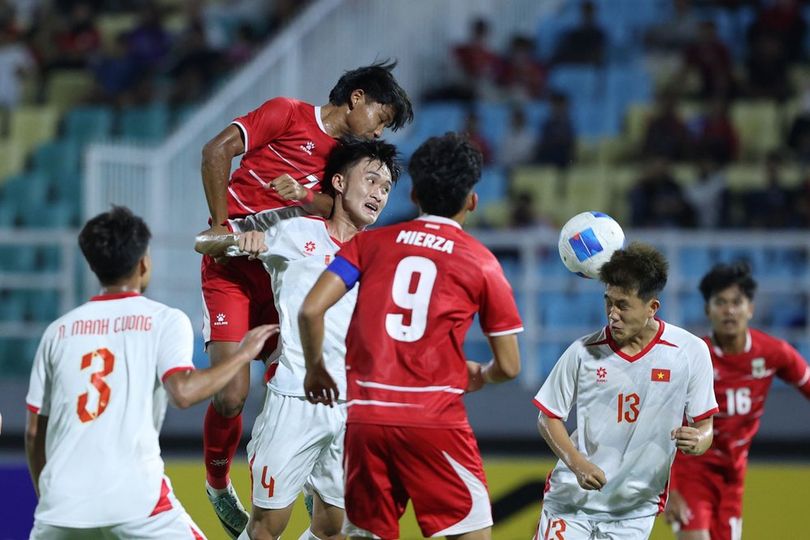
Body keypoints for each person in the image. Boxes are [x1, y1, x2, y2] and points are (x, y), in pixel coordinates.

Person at [198, 61, 412, 537]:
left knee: (298, 373)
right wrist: (220, 226)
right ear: (357, 97)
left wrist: (301, 196)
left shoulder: (351, 165)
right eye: (381, 115)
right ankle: (217, 484)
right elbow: (217, 151)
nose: (379, 129)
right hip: (235, 266)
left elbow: (337, 211)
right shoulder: (287, 114)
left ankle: (306, 474)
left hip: (291, 268)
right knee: (232, 395)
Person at [300, 132, 523, 540]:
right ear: (472, 201)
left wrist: (316, 369)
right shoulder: (481, 262)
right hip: (435, 420)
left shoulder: (370, 244)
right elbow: (509, 366)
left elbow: (311, 309)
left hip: (366, 417)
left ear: (415, 193)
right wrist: (481, 374)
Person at [25, 206, 278, 539]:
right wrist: (241, 355)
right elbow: (183, 392)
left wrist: (50, 499)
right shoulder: (162, 319)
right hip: (136, 503)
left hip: (60, 509)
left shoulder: (57, 332)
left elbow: (33, 433)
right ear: (143, 264)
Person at [532, 243, 718, 540]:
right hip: (572, 501)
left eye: (623, 305)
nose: (612, 314)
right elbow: (547, 417)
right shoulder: (583, 352)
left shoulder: (690, 352)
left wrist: (699, 439)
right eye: (608, 302)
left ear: (652, 308)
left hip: (634, 509)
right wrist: (577, 464)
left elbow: (705, 426)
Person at [665, 262, 810, 540]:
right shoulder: (693, 356)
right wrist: (670, 488)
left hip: (733, 477)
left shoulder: (774, 353)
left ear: (750, 308)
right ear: (708, 309)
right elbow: (662, 419)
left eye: (737, 302)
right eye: (720, 302)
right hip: (692, 471)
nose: (729, 310)